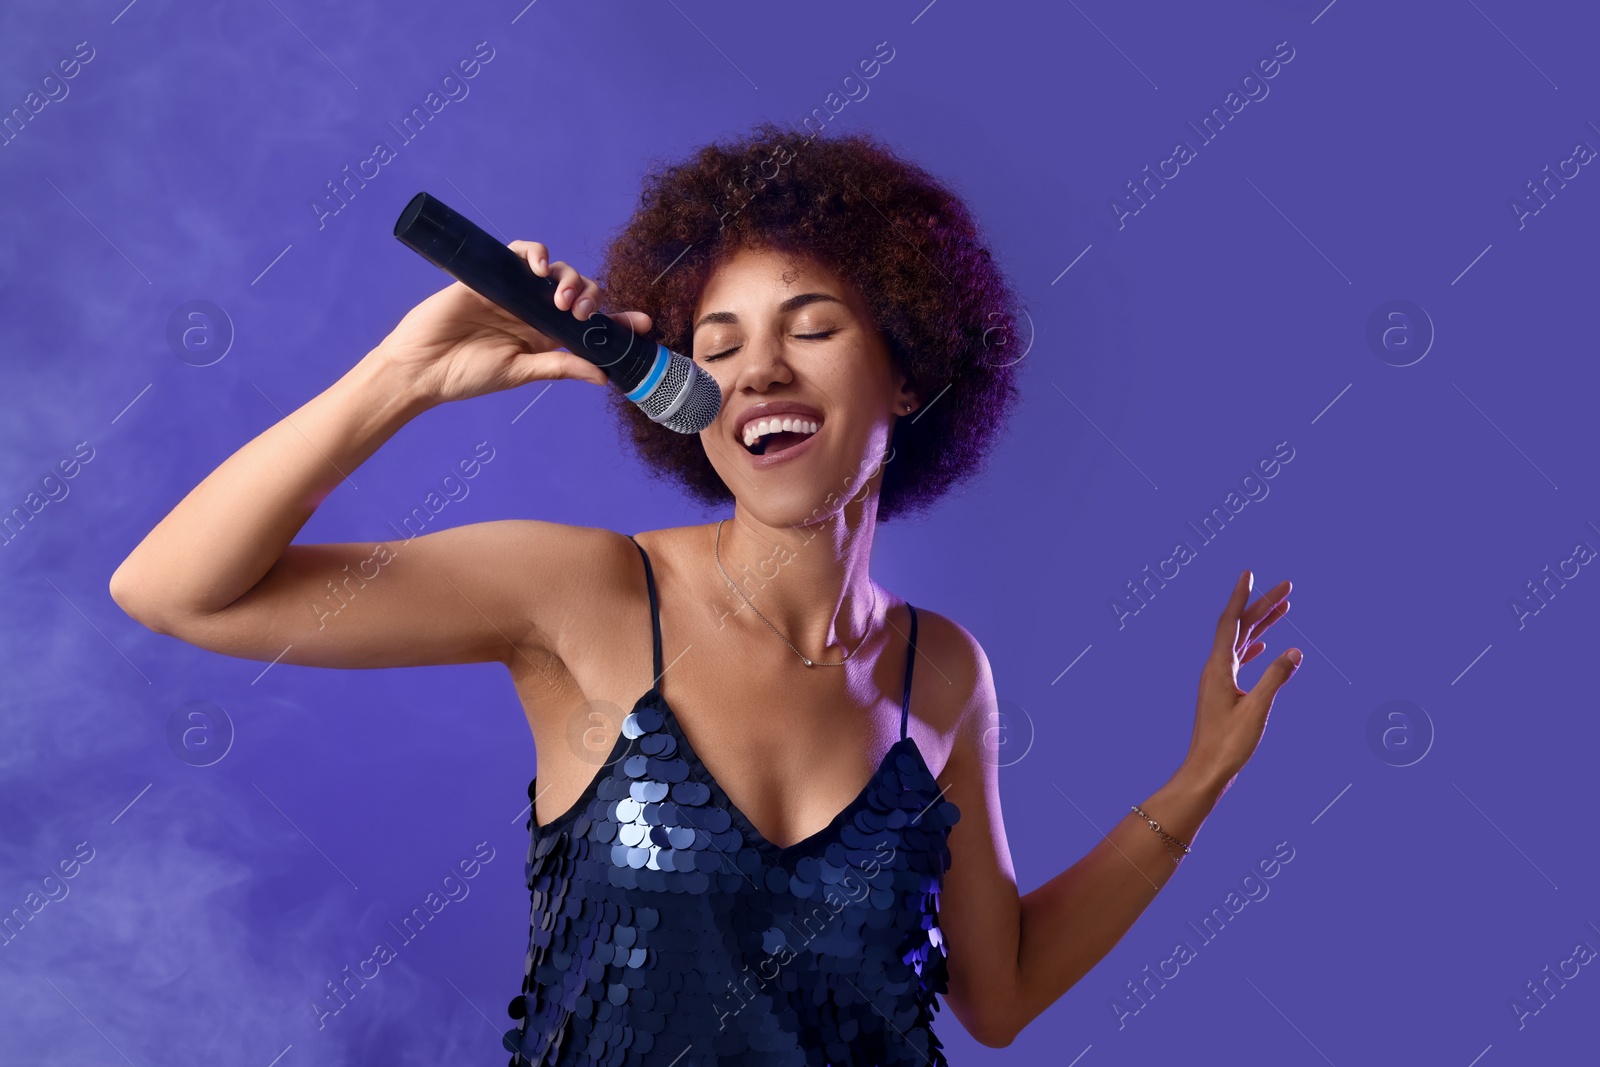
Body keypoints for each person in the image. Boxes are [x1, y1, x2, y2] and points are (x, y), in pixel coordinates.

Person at [109, 122, 1302, 1064]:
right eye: (717, 345)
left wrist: (1198, 778)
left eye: (814, 326)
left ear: (907, 369)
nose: (759, 369)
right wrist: (402, 377)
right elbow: (179, 591)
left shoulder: (939, 669)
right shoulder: (583, 593)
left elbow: (999, 995)